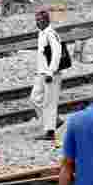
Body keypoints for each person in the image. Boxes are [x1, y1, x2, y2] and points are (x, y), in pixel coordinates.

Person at [32, 8, 64, 140]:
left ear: (46, 21)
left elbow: (57, 54)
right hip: (41, 73)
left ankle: (50, 131)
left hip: (50, 74)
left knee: (49, 102)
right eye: (36, 20)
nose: (37, 23)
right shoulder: (42, 33)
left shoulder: (51, 33)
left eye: (40, 20)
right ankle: (54, 120)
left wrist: (51, 71)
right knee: (35, 98)